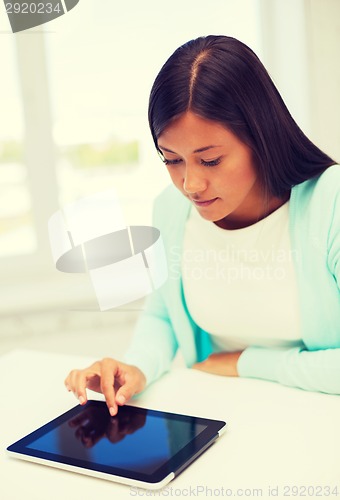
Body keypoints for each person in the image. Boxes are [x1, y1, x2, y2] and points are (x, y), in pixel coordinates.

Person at [65, 35, 340, 415]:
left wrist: (247, 363)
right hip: (220, 419)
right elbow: (162, 312)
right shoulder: (170, 211)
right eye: (171, 160)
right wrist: (136, 367)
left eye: (209, 160)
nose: (190, 185)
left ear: (261, 137)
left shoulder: (331, 205)